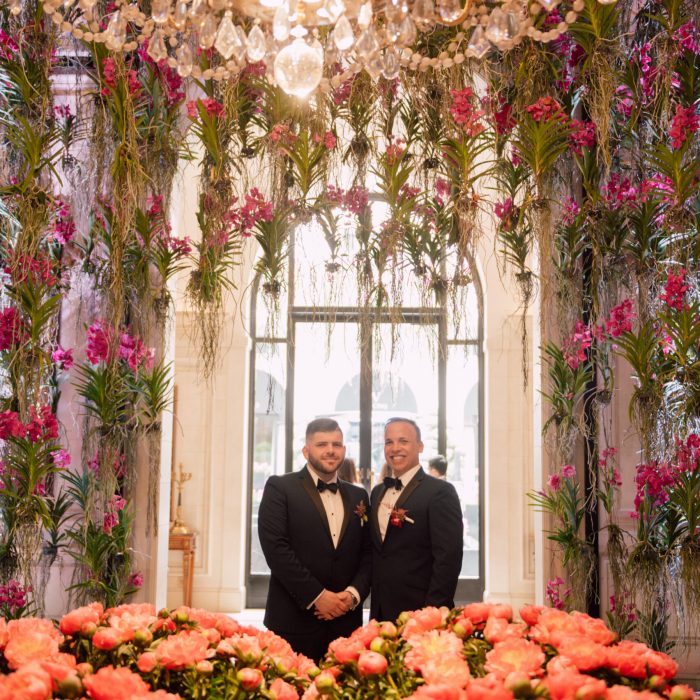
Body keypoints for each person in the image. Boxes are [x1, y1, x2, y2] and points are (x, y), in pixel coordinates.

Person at [258, 418, 371, 661]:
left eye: (336, 444)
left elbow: (369, 553)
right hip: (293, 620)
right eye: (321, 444)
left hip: (346, 622)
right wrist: (317, 597)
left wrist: (352, 595)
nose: (330, 450)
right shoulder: (280, 487)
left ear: (343, 450)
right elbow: (276, 550)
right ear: (306, 450)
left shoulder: (359, 495)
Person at [370, 417, 463, 623]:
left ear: (419, 446)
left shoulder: (440, 492)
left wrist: (432, 612)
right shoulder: (377, 493)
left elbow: (448, 557)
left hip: (421, 609)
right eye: (389, 442)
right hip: (380, 610)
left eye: (403, 441)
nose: (395, 448)